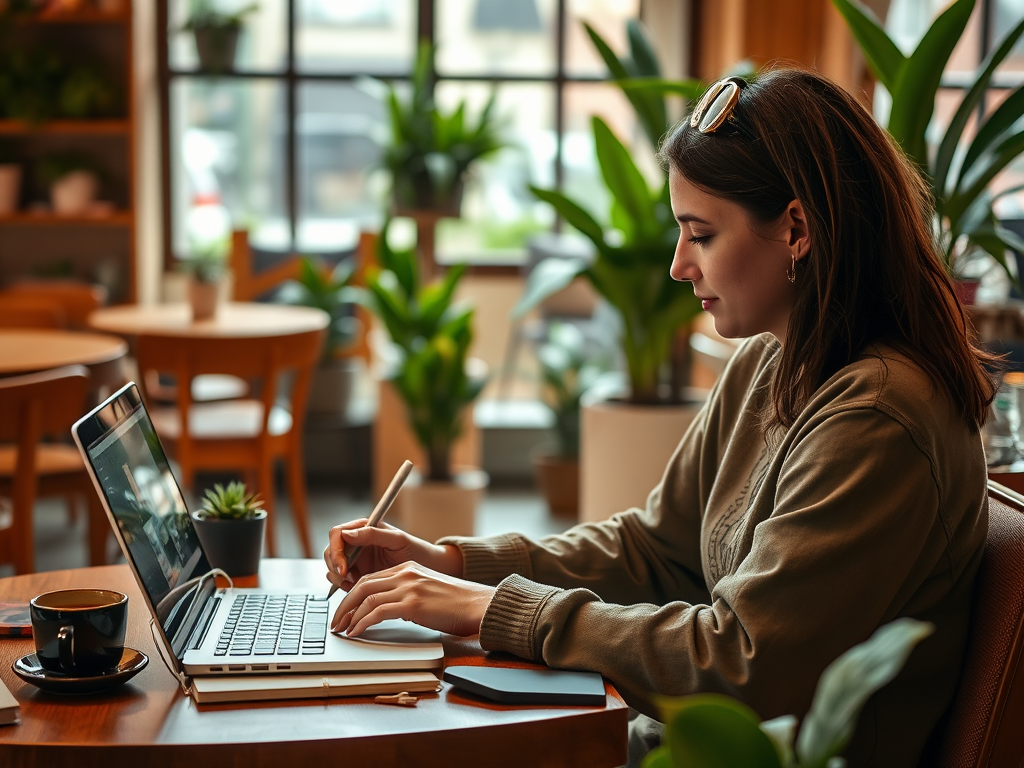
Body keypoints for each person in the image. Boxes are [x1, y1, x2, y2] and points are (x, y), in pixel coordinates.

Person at [324, 67, 995, 767]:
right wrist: (456, 563)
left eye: (700, 234)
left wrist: (491, 610)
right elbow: (656, 552)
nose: (679, 266)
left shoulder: (879, 420)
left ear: (796, 228)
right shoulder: (772, 364)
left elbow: (741, 664)